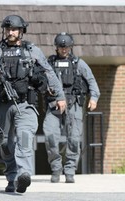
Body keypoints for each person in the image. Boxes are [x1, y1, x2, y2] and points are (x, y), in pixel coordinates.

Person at [0, 15, 66, 193]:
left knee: (24, 137)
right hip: (3, 105)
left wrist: (60, 96)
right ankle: (12, 176)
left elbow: (49, 73)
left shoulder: (32, 50)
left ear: (21, 31)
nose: (10, 32)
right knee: (4, 142)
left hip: (25, 105)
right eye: (8, 29)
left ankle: (24, 174)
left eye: (14, 29)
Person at [43, 32, 100, 183]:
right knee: (50, 136)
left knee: (74, 138)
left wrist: (94, 98)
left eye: (66, 47)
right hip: (54, 104)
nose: (64, 50)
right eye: (61, 47)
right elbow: (39, 80)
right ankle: (56, 167)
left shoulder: (78, 63)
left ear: (71, 47)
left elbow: (92, 81)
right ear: (56, 47)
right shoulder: (48, 63)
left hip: (74, 104)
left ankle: (69, 169)